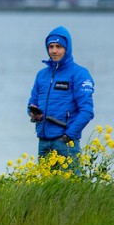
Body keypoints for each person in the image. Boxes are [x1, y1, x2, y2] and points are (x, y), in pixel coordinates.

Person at [27, 25, 95, 166]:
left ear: (67, 48)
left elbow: (87, 112)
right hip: (44, 141)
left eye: (59, 46)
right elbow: (32, 102)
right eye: (51, 47)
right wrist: (34, 114)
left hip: (65, 142)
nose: (54, 51)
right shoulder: (42, 75)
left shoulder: (79, 74)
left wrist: (68, 136)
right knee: (46, 187)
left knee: (72, 186)